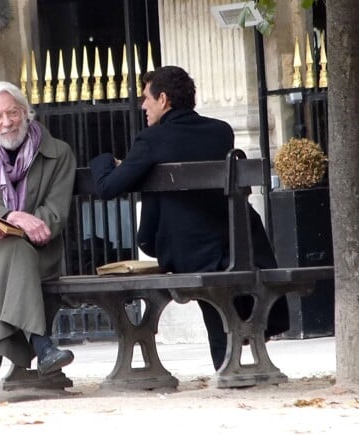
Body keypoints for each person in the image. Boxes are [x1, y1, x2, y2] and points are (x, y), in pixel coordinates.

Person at [89, 66, 289, 371]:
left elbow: (107, 188)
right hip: (238, 244)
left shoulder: (152, 140)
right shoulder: (221, 131)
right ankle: (230, 362)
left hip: (188, 253)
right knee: (218, 280)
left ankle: (226, 364)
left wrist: (104, 160)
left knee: (210, 280)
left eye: (146, 98)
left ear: (164, 99)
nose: (143, 106)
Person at [0, 81, 77, 406]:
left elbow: (56, 212)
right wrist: (11, 216)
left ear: (26, 112)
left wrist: (29, 225)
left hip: (38, 250)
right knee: (9, 252)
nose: (6, 122)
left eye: (12, 113)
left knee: (14, 253)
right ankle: (42, 345)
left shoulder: (58, 153)